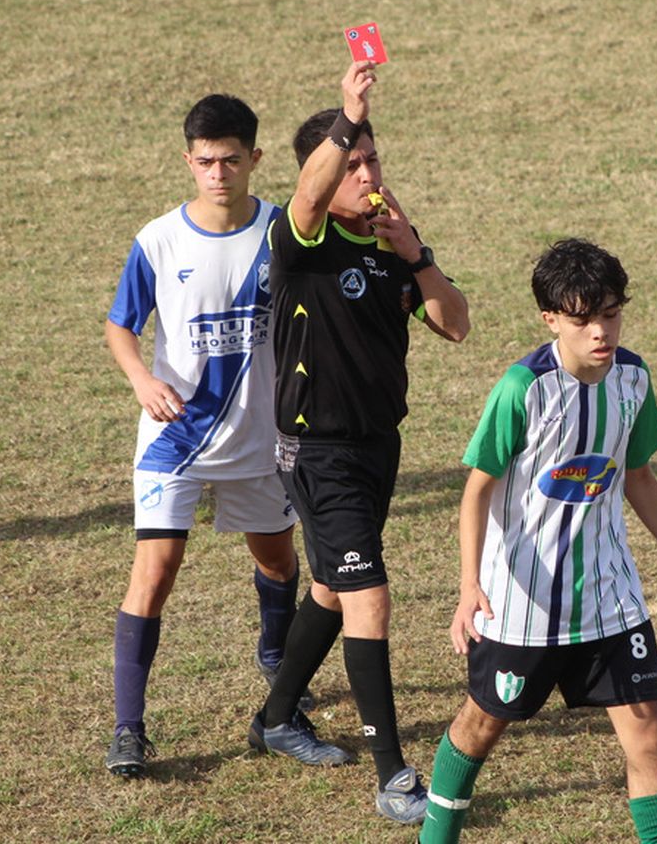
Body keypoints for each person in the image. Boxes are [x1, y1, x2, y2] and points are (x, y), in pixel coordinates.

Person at [417, 238, 657, 844]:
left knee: (647, 730)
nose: (600, 331)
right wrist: (469, 587)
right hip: (523, 603)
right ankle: (436, 835)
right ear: (551, 319)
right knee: (482, 723)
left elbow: (637, 474)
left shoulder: (634, 379)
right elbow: (475, 492)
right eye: (582, 318)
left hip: (610, 595)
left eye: (611, 314)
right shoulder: (523, 389)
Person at [251, 60, 470, 825]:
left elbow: (455, 324)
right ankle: (393, 774)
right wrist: (347, 116)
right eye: (354, 161)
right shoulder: (298, 241)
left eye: (374, 157)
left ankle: (277, 719)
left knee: (333, 587)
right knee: (368, 595)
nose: (368, 171)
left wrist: (416, 252)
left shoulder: (389, 242)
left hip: (379, 448)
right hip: (318, 450)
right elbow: (309, 194)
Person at [103, 94, 304, 777]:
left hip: (258, 439)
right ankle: (129, 729)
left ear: (254, 159)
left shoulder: (282, 232)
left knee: (278, 562)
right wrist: (140, 379)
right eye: (205, 162)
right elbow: (120, 325)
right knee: (154, 575)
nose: (217, 174)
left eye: (231, 161)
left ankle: (276, 654)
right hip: (176, 440)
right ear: (188, 161)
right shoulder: (159, 239)